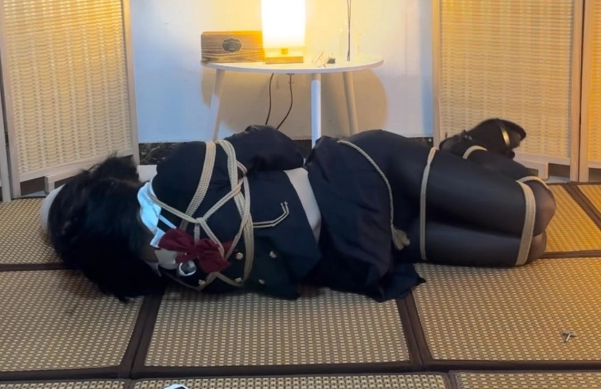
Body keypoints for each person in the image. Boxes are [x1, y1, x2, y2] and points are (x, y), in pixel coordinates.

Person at [40, 119, 555, 303]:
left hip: (360, 173)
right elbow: (278, 147)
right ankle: (455, 155)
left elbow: (281, 149)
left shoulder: (176, 179)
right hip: (358, 251)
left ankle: (467, 147)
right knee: (526, 247)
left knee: (537, 208)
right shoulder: (165, 273)